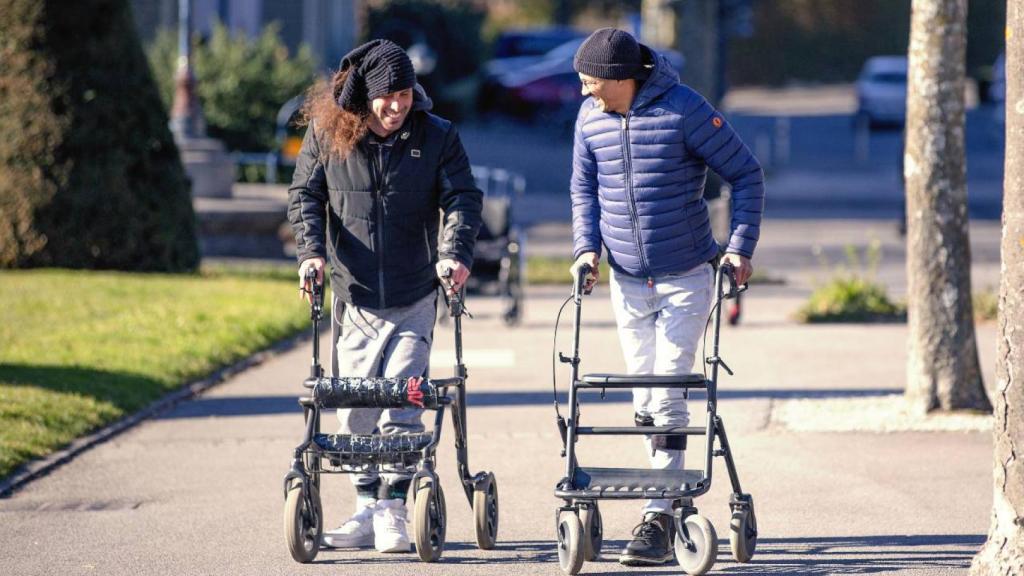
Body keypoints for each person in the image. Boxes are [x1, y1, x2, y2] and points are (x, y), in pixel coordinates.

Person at [568, 28, 765, 567]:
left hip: (686, 276)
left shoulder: (684, 110)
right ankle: (664, 496)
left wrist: (740, 248)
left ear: (619, 78)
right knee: (642, 400)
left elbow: (746, 175)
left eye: (591, 83)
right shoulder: (590, 120)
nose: (586, 93)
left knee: (667, 391)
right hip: (627, 280)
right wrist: (587, 248)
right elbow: (583, 189)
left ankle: (660, 513)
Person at [286, 39, 482, 554]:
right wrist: (311, 252)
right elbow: (305, 194)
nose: (397, 106)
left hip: (415, 290)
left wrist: (454, 252)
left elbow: (463, 197)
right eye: (386, 97)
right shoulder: (329, 137)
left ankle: (394, 508)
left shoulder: (436, 136)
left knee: (402, 396)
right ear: (364, 97)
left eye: (405, 95)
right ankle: (365, 508)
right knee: (354, 409)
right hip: (354, 296)